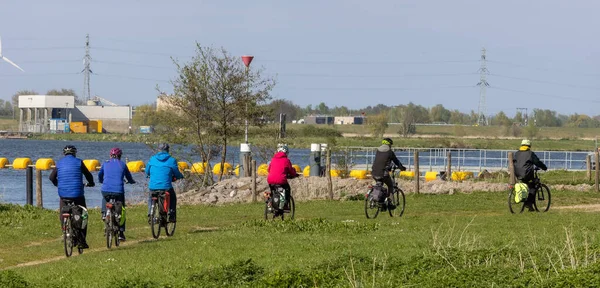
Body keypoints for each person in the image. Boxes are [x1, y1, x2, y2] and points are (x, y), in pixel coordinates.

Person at [49, 145, 95, 249]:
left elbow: (51, 177)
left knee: (63, 211)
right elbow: (88, 175)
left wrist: (57, 184)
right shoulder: (79, 162)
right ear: (74, 153)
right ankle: (82, 241)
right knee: (83, 214)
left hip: (63, 194)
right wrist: (91, 183)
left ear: (64, 153)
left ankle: (64, 231)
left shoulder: (59, 163)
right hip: (77, 194)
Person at [98, 147, 136, 241]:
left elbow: (99, 175)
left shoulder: (105, 163)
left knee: (105, 198)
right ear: (120, 156)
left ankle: (104, 213)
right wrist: (132, 181)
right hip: (118, 190)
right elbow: (129, 177)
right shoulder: (122, 164)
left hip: (105, 189)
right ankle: (121, 233)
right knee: (121, 210)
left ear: (110, 156)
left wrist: (101, 181)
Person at [146, 143, 184, 223]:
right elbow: (176, 173)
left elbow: (147, 171)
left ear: (158, 150)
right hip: (166, 187)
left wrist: (149, 174)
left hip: (153, 186)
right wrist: (180, 176)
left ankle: (150, 213)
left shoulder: (152, 159)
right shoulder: (171, 160)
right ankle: (172, 215)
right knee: (172, 197)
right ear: (168, 150)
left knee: (150, 196)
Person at [513, 139, 547, 211]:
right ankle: (529, 203)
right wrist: (544, 167)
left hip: (517, 173)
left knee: (524, 183)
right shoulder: (530, 153)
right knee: (533, 185)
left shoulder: (516, 153)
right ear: (529, 146)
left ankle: (529, 205)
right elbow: (537, 162)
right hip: (527, 174)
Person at [371, 138, 406, 204]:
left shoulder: (378, 151)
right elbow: (396, 161)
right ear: (389, 145)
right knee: (390, 186)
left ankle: (379, 202)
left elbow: (381, 162)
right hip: (383, 173)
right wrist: (402, 168)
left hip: (374, 172)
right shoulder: (390, 152)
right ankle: (389, 202)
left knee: (379, 185)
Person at [267, 144, 298, 212]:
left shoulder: (273, 159)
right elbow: (291, 171)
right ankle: (285, 205)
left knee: (273, 191)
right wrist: (294, 174)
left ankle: (270, 204)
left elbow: (269, 170)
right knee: (287, 189)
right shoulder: (286, 160)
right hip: (281, 180)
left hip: (270, 180)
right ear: (286, 152)